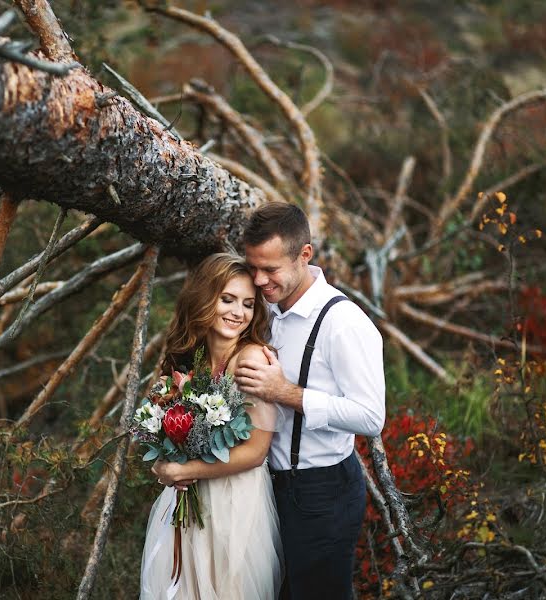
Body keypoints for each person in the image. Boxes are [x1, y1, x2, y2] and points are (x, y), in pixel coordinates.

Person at [234, 202, 386, 600]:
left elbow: (371, 417)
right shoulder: (261, 309)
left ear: (305, 255)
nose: (259, 279)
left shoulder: (344, 323)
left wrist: (284, 392)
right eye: (253, 267)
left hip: (321, 492)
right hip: (263, 487)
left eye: (271, 269)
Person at [142, 253, 284, 600]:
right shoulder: (191, 358)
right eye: (228, 299)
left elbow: (255, 451)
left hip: (233, 502)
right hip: (188, 497)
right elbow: (160, 427)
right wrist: (163, 464)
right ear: (205, 298)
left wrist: (184, 469)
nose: (239, 312)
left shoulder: (249, 358)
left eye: (248, 304)